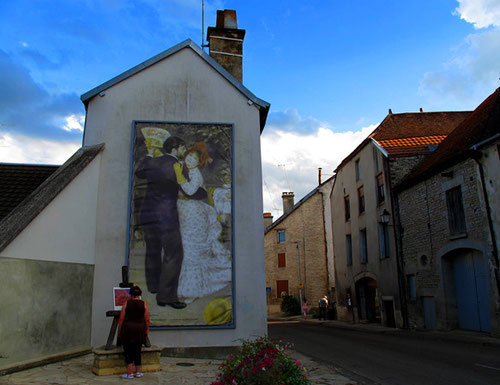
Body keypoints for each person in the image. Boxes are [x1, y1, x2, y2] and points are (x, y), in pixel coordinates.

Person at [135, 136, 187, 309]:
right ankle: (167, 296)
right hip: (166, 216)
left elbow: (139, 172)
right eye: (182, 148)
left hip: (148, 214)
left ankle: (154, 286)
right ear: (175, 148)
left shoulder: (152, 162)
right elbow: (185, 188)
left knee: (153, 250)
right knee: (174, 253)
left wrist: (149, 156)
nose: (184, 151)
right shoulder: (176, 165)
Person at [176, 142, 232, 302]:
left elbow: (190, 190)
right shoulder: (184, 168)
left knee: (192, 251)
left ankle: (193, 290)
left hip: (195, 214)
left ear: (199, 162)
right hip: (184, 213)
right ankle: (187, 287)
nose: (191, 160)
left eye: (195, 158)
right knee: (186, 250)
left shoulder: (196, 174)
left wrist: (179, 178)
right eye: (189, 156)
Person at [118, 285, 150, 379]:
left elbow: (121, 319)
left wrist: (119, 331)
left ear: (131, 294)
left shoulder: (127, 304)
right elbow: (147, 319)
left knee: (128, 350)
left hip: (128, 329)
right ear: (139, 294)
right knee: (137, 350)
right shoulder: (143, 304)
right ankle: (138, 372)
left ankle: (129, 373)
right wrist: (146, 330)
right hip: (140, 329)